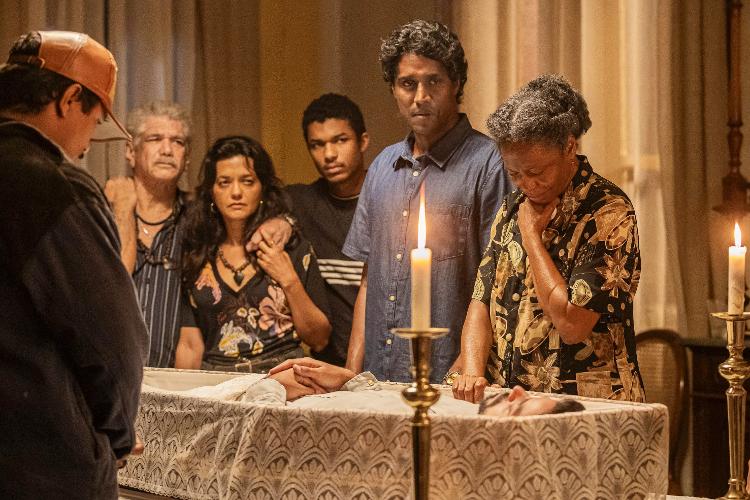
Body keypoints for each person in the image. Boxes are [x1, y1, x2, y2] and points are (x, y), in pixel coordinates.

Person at [0, 31, 147, 499]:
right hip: (40, 464)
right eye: (95, 121)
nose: (86, 146)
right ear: (68, 100)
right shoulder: (53, 185)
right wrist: (117, 434)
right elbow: (112, 338)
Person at [452, 74, 645, 404]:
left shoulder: (609, 212)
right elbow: (481, 301)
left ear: (570, 147)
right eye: (515, 174)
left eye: (537, 172)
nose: (526, 184)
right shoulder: (513, 206)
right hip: (511, 400)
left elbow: (572, 324)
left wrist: (531, 237)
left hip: (586, 406)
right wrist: (471, 373)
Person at [343, 19, 511, 383]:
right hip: (377, 378)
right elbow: (368, 281)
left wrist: (466, 366)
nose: (420, 96)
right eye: (408, 84)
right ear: (393, 89)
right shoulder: (382, 168)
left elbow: (502, 283)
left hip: (452, 379)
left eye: (433, 81)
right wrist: (351, 373)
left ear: (457, 84)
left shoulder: (488, 163)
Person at [175, 136, 331, 372]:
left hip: (281, 377)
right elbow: (189, 345)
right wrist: (182, 401)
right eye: (224, 182)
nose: (236, 192)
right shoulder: (198, 252)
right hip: (217, 382)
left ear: (262, 188)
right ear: (211, 192)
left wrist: (289, 279)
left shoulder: (289, 246)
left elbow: (319, 339)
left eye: (247, 181)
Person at [105, 101, 192, 367]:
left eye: (177, 142)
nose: (167, 150)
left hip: (173, 383)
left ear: (187, 158)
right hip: (106, 378)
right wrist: (123, 209)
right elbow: (110, 283)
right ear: (130, 151)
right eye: (155, 139)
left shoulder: (200, 218)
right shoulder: (100, 209)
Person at [285, 93, 370, 366]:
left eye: (340, 140)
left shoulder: (387, 198)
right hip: (327, 364)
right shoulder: (301, 203)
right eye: (317, 145)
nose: (329, 155)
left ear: (363, 141)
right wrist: (280, 220)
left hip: (387, 363)